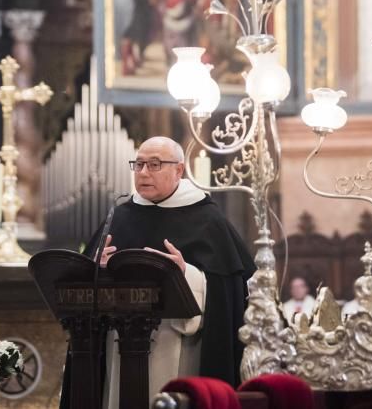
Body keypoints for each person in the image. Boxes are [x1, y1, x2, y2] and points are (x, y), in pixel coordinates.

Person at [68, 137, 255, 408]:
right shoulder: (119, 216)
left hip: (177, 343)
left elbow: (228, 292)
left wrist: (185, 273)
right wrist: (98, 270)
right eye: (139, 164)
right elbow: (84, 286)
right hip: (119, 343)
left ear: (179, 170)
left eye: (154, 164)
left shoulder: (207, 219)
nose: (143, 172)